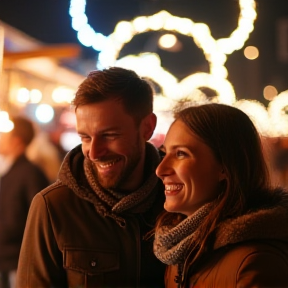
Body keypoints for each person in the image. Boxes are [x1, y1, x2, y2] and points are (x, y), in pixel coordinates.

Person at [16, 67, 166, 288]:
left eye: (109, 135)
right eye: (85, 137)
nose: (94, 153)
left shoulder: (177, 200)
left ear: (147, 127)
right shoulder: (53, 206)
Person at [153, 103, 288, 288]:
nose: (160, 170)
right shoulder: (183, 248)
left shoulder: (255, 263)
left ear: (225, 167)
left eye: (181, 154)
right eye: (164, 153)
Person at [0, 116, 50, 288]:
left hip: (17, 260)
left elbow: (38, 220)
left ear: (16, 140)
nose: (0, 138)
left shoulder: (30, 174)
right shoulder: (10, 171)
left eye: (4, 134)